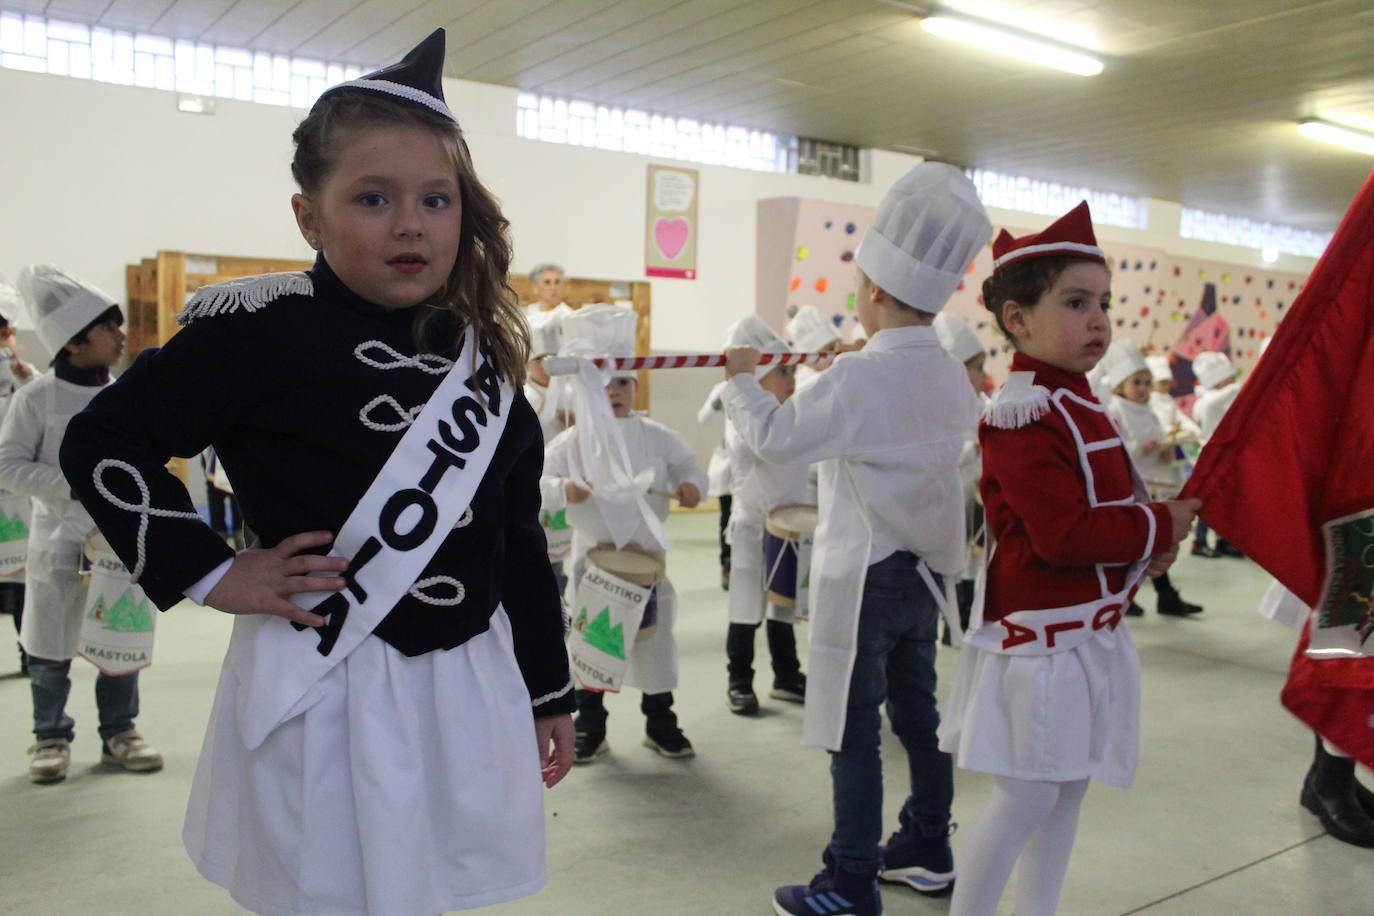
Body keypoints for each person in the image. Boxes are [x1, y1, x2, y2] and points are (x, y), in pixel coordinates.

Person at [59, 30, 574, 915]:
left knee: (437, 884)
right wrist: (213, 571)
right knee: (323, 889)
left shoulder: (484, 365)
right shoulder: (254, 332)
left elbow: (515, 539)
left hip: (464, 684)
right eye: (373, 198)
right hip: (326, 681)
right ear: (308, 217)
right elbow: (103, 443)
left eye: (436, 200)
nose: (411, 223)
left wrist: (547, 689)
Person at [725, 163, 991, 916]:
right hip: (928, 577)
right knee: (917, 718)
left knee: (853, 731)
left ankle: (849, 881)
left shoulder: (857, 380)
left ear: (872, 289)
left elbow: (776, 439)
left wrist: (743, 379)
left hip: (867, 577)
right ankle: (928, 844)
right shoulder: (948, 376)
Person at [938, 203, 1199, 916]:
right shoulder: (1021, 413)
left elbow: (1110, 508)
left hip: (1090, 629)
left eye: (1104, 303)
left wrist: (1147, 553)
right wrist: (1156, 524)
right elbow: (1061, 536)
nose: (1099, 321)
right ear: (1017, 320)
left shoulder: (1081, 404)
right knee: (1027, 794)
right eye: (1076, 303)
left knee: (1067, 789)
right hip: (1040, 645)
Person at [0, 266, 161, 784]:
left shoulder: (125, 394)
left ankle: (120, 731)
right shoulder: (36, 398)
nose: (120, 337)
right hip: (58, 543)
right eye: (108, 328)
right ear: (73, 343)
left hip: (117, 544)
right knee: (49, 647)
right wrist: (77, 485)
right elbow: (7, 465)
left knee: (119, 641)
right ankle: (50, 735)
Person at [541, 304, 707, 763]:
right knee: (595, 650)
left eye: (622, 382)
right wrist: (562, 490)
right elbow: (537, 487)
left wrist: (693, 486)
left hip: (648, 567)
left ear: (636, 385)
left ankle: (661, 723)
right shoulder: (568, 444)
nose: (613, 392)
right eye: (603, 384)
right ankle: (591, 725)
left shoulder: (659, 436)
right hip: (594, 566)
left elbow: (688, 467)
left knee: (654, 651)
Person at [721, 315, 807, 716]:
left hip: (788, 527)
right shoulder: (744, 420)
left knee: (783, 602)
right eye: (781, 372)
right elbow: (768, 446)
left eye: (792, 371)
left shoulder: (790, 415)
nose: (791, 380)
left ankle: (786, 675)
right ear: (755, 381)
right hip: (752, 526)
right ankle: (739, 679)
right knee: (745, 604)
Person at [1102, 341, 1203, 617]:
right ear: (1121, 384)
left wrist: (1169, 449)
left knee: (1154, 546)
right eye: (1137, 382)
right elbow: (1113, 450)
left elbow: (1163, 442)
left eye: (1148, 382)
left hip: (1155, 485)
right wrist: (1138, 448)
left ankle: (1164, 595)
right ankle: (1131, 596)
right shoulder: (1114, 410)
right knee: (1133, 548)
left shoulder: (1151, 411)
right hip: (1130, 489)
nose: (1144, 389)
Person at [933, 310, 988, 641]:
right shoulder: (942, 404)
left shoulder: (982, 403)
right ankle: (950, 618)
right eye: (977, 368)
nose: (983, 376)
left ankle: (967, 613)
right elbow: (946, 451)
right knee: (953, 561)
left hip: (977, 492)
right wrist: (974, 450)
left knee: (972, 560)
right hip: (952, 495)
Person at [0, 279, 35, 676]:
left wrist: (25, 378)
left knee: (21, 580)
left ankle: (27, 654)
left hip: (18, 500)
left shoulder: (28, 382)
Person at [1190, 350, 1243, 559]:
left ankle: (1222, 541)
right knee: (1207, 502)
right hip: (1209, 459)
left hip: (1224, 458)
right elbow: (1231, 391)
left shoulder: (1217, 400)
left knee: (1223, 502)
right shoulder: (1207, 402)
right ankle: (1200, 540)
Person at [697, 378, 733, 590]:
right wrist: (717, 401)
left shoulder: (766, 383)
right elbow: (704, 419)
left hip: (759, 462)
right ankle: (727, 564)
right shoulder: (721, 387)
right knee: (727, 517)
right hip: (728, 460)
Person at [785, 304, 841, 392]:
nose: (839, 351)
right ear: (809, 360)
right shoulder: (805, 387)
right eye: (831, 349)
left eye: (841, 345)